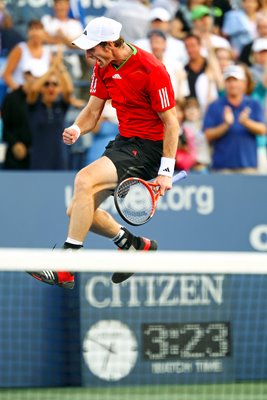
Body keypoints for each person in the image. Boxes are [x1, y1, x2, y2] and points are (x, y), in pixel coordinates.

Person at [28, 16, 179, 289]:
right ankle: (132, 245)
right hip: (124, 142)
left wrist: (165, 171)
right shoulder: (102, 67)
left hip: (149, 149)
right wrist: (77, 128)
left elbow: (172, 123)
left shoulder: (152, 69)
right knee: (77, 210)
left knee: (84, 179)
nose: (87, 55)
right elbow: (93, 111)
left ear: (109, 45)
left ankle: (66, 267)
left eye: (92, 49)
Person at [203, 64, 266, 172]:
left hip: (248, 166)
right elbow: (207, 135)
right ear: (225, 83)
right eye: (229, 80)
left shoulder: (253, 104)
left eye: (235, 80)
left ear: (244, 83)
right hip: (221, 167)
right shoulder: (215, 105)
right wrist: (225, 125)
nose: (232, 84)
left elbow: (262, 129)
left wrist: (246, 122)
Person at [26, 51, 73, 170]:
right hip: (39, 157)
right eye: (46, 84)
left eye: (54, 84)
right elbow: (33, 90)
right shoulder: (34, 105)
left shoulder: (61, 106)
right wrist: (52, 67)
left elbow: (68, 90)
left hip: (59, 157)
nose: (50, 87)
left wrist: (60, 66)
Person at [1, 59, 48, 169]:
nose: (37, 80)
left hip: (39, 156)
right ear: (26, 75)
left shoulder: (44, 99)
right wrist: (15, 143)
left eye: (40, 76)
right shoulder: (11, 98)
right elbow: (5, 126)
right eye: (34, 75)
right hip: (15, 157)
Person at [2, 20, 51, 91]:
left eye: (38, 29)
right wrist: (19, 90)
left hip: (39, 95)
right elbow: (6, 75)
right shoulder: (20, 49)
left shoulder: (48, 52)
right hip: (19, 94)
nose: (36, 32)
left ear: (44, 33)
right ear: (28, 32)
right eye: (32, 29)